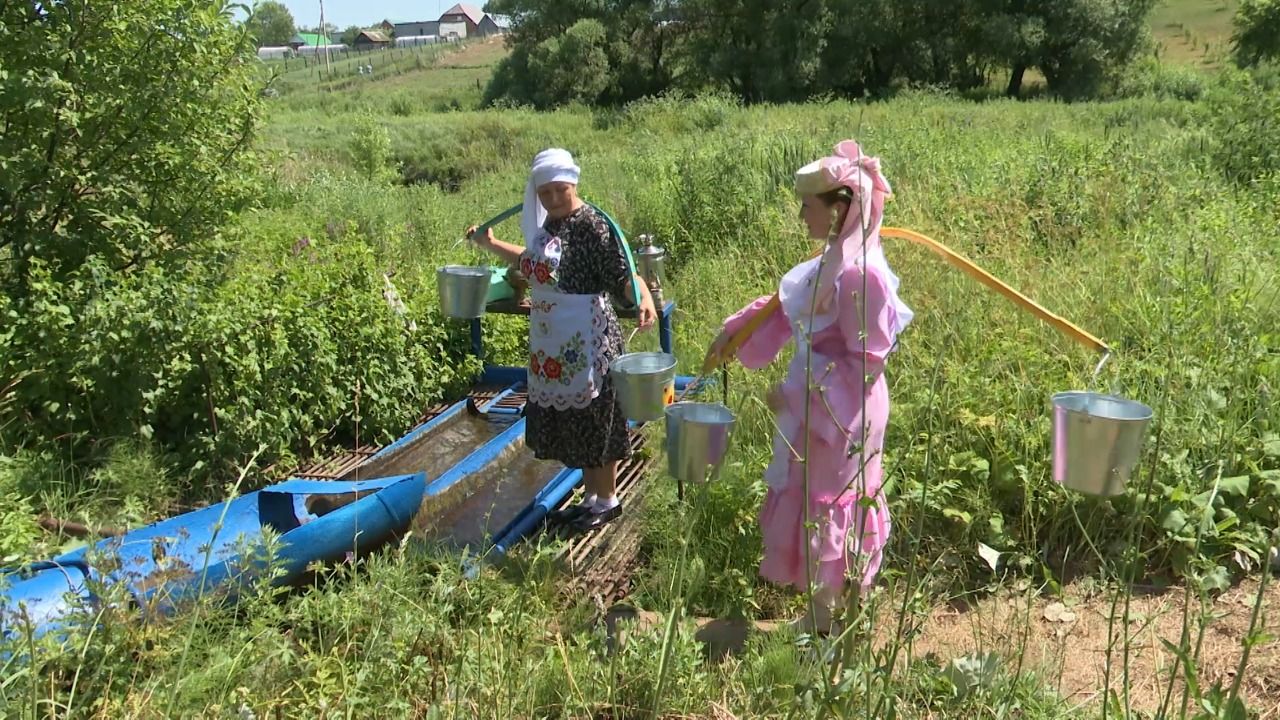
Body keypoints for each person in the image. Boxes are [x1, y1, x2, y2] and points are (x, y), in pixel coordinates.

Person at [705, 140, 913, 634]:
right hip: (825, 405)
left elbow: (864, 365)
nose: (801, 214)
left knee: (835, 502)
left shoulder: (862, 275)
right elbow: (790, 303)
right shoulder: (837, 259)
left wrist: (799, 397)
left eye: (807, 205)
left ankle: (826, 619)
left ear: (839, 210)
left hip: (841, 414)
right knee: (829, 499)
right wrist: (736, 331)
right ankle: (840, 611)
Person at [467, 148, 657, 531]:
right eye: (545, 192)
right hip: (554, 343)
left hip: (588, 339)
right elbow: (531, 262)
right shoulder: (549, 228)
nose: (553, 199)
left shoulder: (592, 224)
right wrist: (490, 244)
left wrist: (644, 296)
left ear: (574, 183)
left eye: (560, 190)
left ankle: (608, 500)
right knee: (577, 422)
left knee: (596, 416)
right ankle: (590, 499)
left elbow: (622, 270)